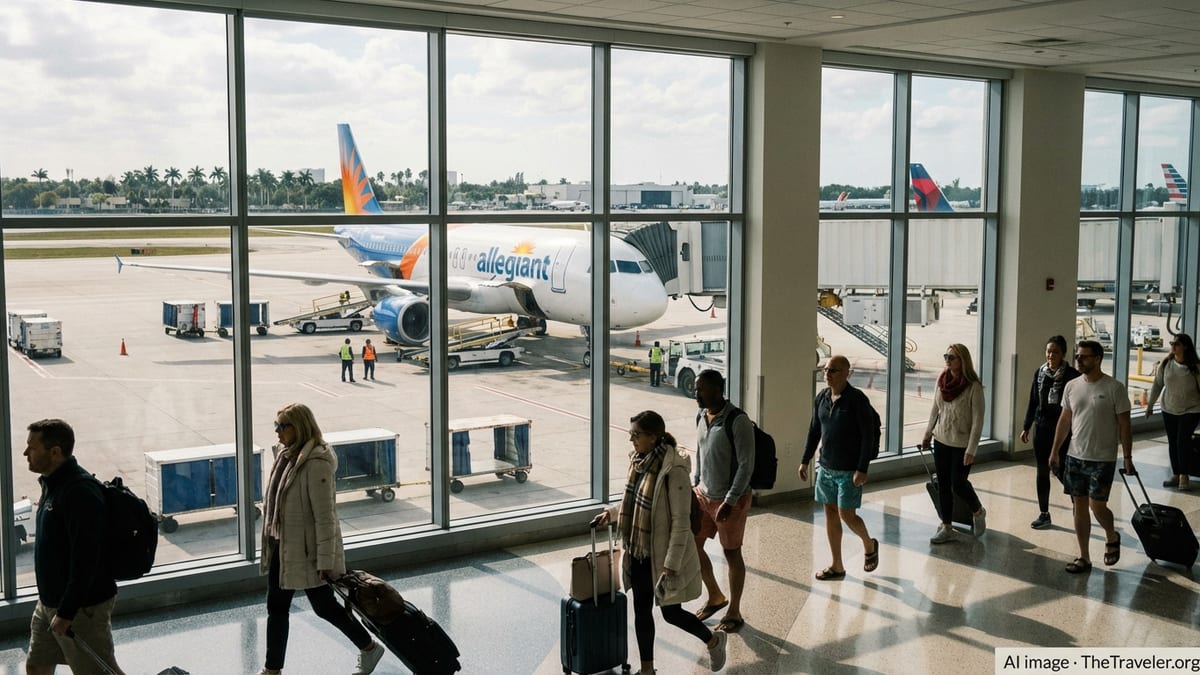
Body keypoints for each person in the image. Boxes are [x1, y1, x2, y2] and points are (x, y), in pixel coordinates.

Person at [593, 411, 727, 674]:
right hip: (639, 549)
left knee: (670, 613)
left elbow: (680, 522)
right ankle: (647, 670)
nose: (631, 439)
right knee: (642, 611)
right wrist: (611, 514)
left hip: (662, 554)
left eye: (636, 434)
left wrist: (672, 562)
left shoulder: (673, 472)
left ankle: (713, 640)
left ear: (653, 437)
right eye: (631, 433)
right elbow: (634, 502)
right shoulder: (639, 462)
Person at [258, 403, 384, 675]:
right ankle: (272, 670)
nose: (277, 431)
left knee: (325, 608)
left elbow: (325, 517)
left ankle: (369, 647)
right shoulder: (285, 455)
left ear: (300, 427)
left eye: (283, 426)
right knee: (276, 608)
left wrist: (326, 560)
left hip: (308, 553)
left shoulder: (315, 464)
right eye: (276, 425)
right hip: (283, 545)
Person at [24, 418, 125, 675]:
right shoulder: (52, 484)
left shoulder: (79, 493)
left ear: (55, 452)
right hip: (49, 603)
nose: (26, 453)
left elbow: (86, 559)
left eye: (32, 447)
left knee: (98, 672)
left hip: (81, 608)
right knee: (36, 666)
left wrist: (67, 612)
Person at [1050, 340, 1135, 574]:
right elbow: (1065, 420)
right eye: (1078, 356)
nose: (1079, 360)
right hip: (1075, 455)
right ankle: (1084, 557)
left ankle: (1111, 534)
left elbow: (1125, 424)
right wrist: (1055, 450)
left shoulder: (1114, 388)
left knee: (1098, 506)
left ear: (1097, 359)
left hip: (1103, 457)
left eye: (1084, 357)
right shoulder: (1071, 386)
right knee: (1079, 506)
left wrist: (1127, 456)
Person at [800, 356, 879, 580]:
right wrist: (805, 460)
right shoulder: (822, 398)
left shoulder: (857, 400)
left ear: (847, 373)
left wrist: (862, 468)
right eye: (826, 370)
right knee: (831, 513)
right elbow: (814, 430)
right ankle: (837, 565)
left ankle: (869, 543)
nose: (828, 374)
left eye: (833, 370)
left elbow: (868, 436)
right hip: (826, 467)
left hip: (849, 470)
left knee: (848, 515)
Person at [691, 369, 754, 633]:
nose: (696, 394)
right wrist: (696, 482)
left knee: (731, 553)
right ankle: (716, 596)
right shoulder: (701, 416)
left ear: (717, 389)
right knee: (692, 545)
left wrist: (730, 500)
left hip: (731, 500)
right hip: (703, 494)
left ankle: (735, 610)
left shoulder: (737, 420)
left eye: (700, 389)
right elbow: (700, 451)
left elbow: (745, 465)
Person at [922, 343, 987, 543]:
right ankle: (947, 525)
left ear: (963, 361)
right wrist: (928, 433)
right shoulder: (942, 381)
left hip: (961, 444)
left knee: (958, 483)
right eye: (946, 356)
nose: (948, 361)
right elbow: (935, 408)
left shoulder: (973, 387)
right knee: (943, 484)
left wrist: (972, 449)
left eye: (952, 358)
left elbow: (978, 421)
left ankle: (978, 511)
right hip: (942, 439)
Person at [1020, 335, 1081, 529]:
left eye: (1055, 351)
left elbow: (1077, 406)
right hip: (1042, 428)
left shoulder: (1072, 376)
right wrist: (1026, 426)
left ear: (1063, 353)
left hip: (1063, 430)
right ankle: (1044, 513)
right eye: (1048, 351)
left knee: (1062, 469)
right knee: (1042, 470)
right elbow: (1033, 401)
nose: (1050, 355)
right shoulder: (1040, 372)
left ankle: (1077, 504)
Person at [1144, 332, 1200, 491]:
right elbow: (1158, 384)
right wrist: (1150, 405)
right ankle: (1176, 473)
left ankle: (1184, 475)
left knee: (1183, 440)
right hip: (1169, 408)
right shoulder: (1167, 363)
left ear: (1185, 347)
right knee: (1173, 441)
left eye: (1176, 344)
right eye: (1172, 343)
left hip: (1192, 409)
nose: (1173, 346)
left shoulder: (1195, 367)